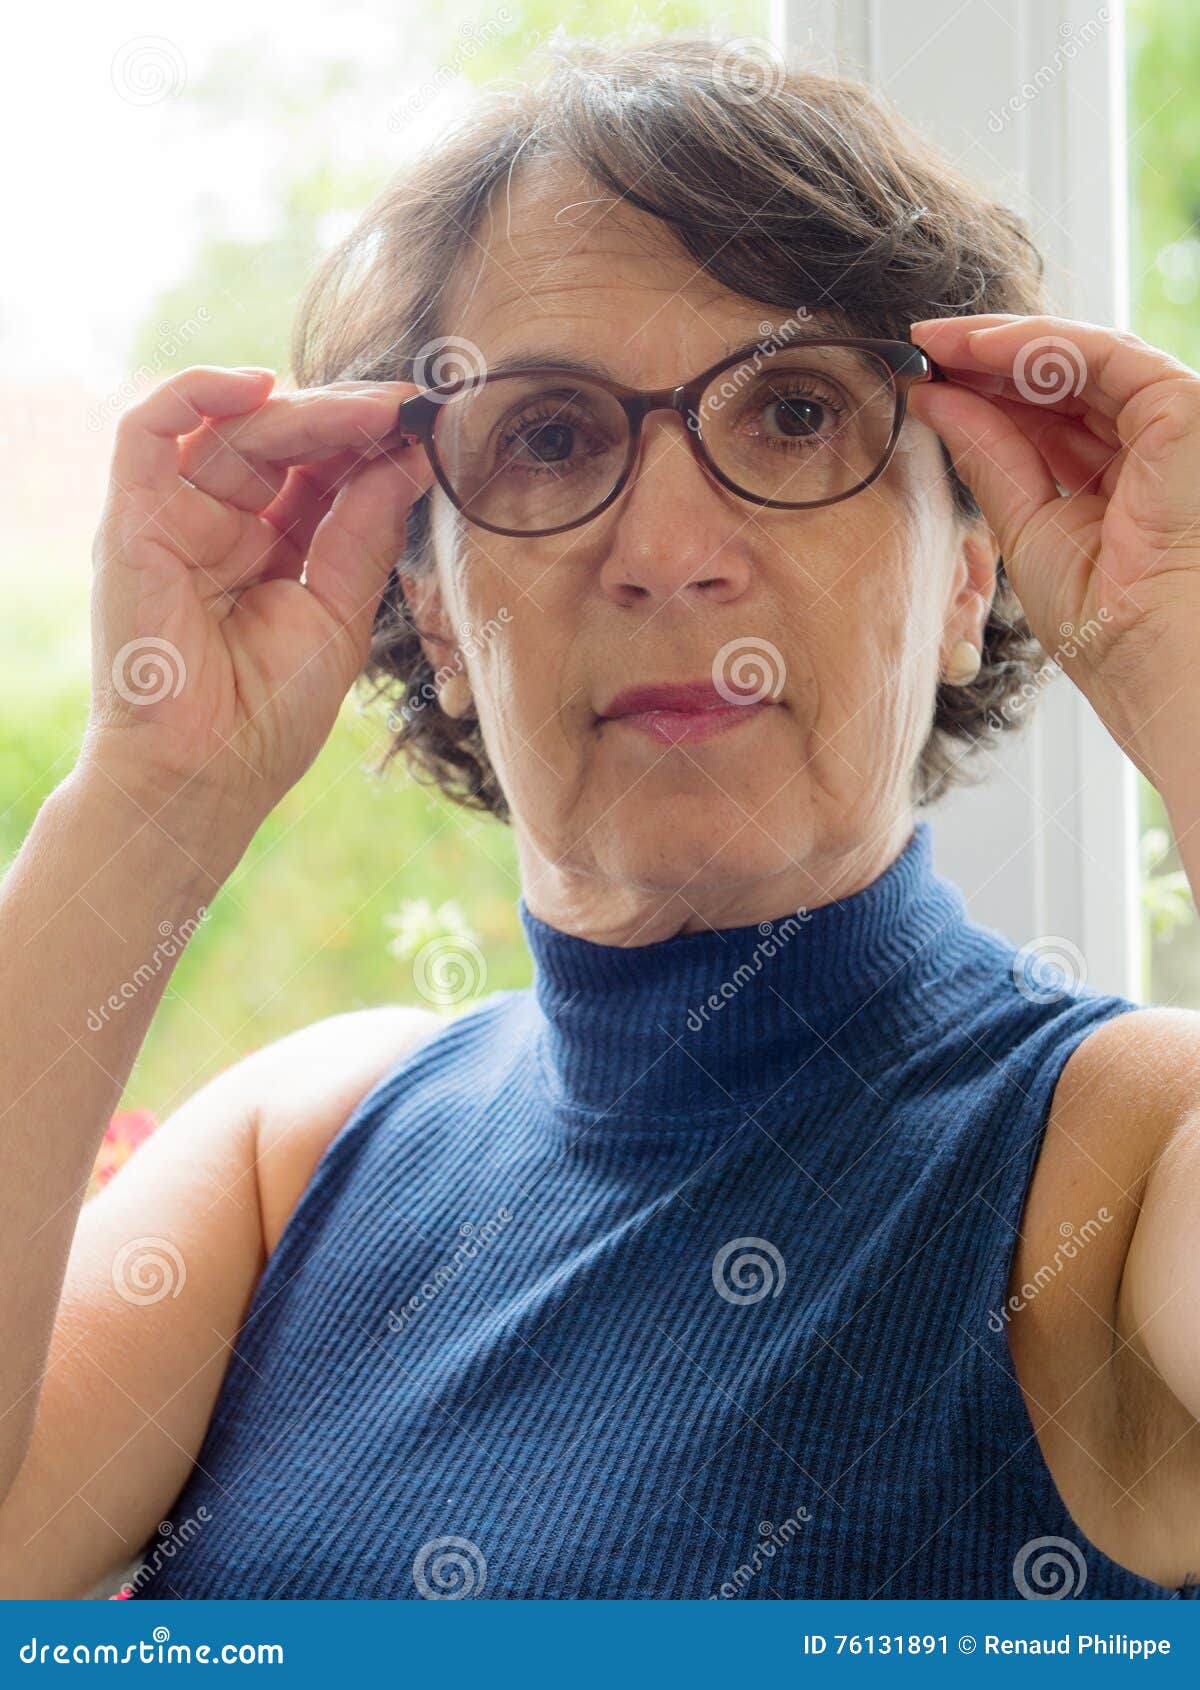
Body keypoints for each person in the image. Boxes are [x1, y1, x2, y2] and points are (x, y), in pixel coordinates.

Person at [2, 36, 1199, 1600]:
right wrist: (151, 794)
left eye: (790, 415)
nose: (670, 550)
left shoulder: (1129, 1151)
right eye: (552, 434)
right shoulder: (291, 1158)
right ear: (431, 610)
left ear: (969, 577)